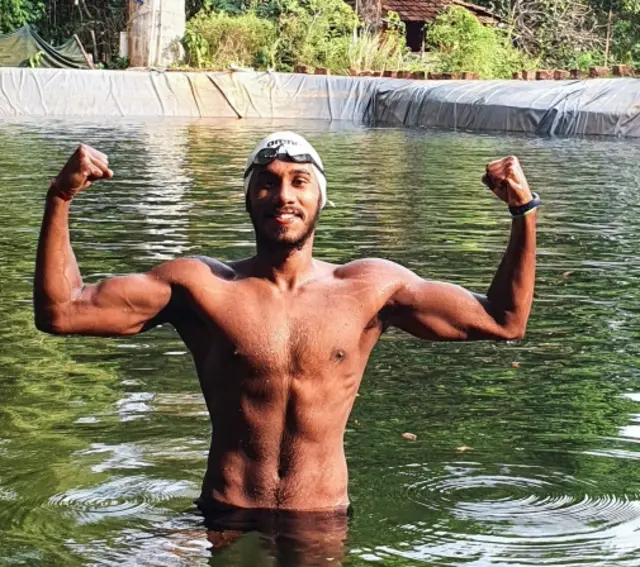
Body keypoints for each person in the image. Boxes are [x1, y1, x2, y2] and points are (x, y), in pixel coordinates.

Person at [34, 131, 538, 519]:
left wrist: (524, 211)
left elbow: (503, 320)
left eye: (299, 182)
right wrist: (59, 197)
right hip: (227, 513)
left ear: (321, 199)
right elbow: (63, 311)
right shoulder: (201, 287)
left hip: (321, 519)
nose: (283, 196)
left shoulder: (369, 288)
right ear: (248, 196)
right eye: (268, 182)